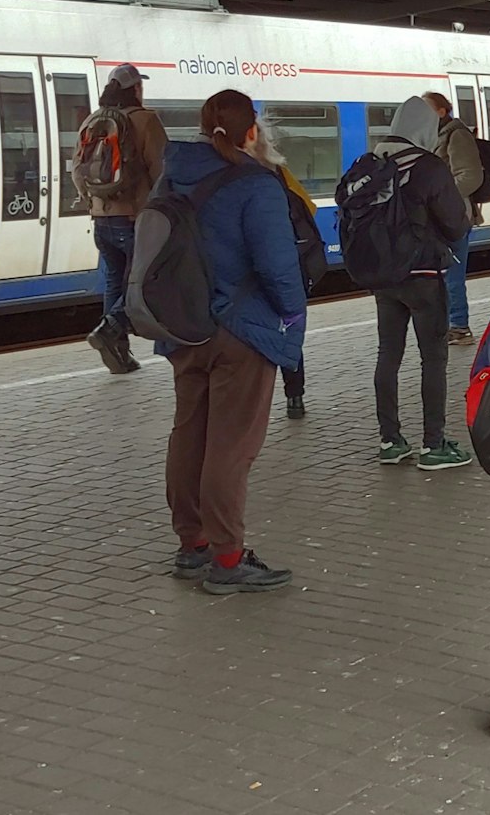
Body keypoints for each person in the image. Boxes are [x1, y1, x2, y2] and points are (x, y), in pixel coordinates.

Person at [154, 89, 308, 595]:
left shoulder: (172, 172)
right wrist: (290, 315)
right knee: (231, 446)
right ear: (251, 132)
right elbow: (277, 266)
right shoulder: (255, 183)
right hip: (241, 330)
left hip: (183, 327)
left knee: (189, 434)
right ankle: (227, 558)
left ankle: (192, 545)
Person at [370, 96, 474, 470]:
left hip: (384, 278)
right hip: (424, 278)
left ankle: (390, 441)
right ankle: (434, 445)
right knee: (433, 359)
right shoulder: (428, 166)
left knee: (388, 355)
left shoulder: (371, 163)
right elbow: (455, 223)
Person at [85, 64, 168, 375]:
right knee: (142, 280)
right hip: (135, 218)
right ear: (136, 89)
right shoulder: (145, 120)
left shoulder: (93, 121)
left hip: (101, 218)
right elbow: (162, 170)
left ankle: (118, 352)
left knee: (113, 280)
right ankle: (110, 329)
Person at [246, 118, 313, 420]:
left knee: (249, 336)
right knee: (288, 329)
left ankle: (251, 406)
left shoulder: (231, 176)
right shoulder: (279, 173)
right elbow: (307, 208)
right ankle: (294, 397)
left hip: (246, 273)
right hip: (285, 265)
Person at [425, 91, 485, 346]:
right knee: (442, 272)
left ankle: (459, 326)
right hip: (441, 216)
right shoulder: (437, 136)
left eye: (428, 109)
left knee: (452, 272)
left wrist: (442, 197)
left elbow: (470, 176)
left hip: (455, 215)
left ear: (441, 111)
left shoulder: (457, 136)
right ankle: (449, 324)